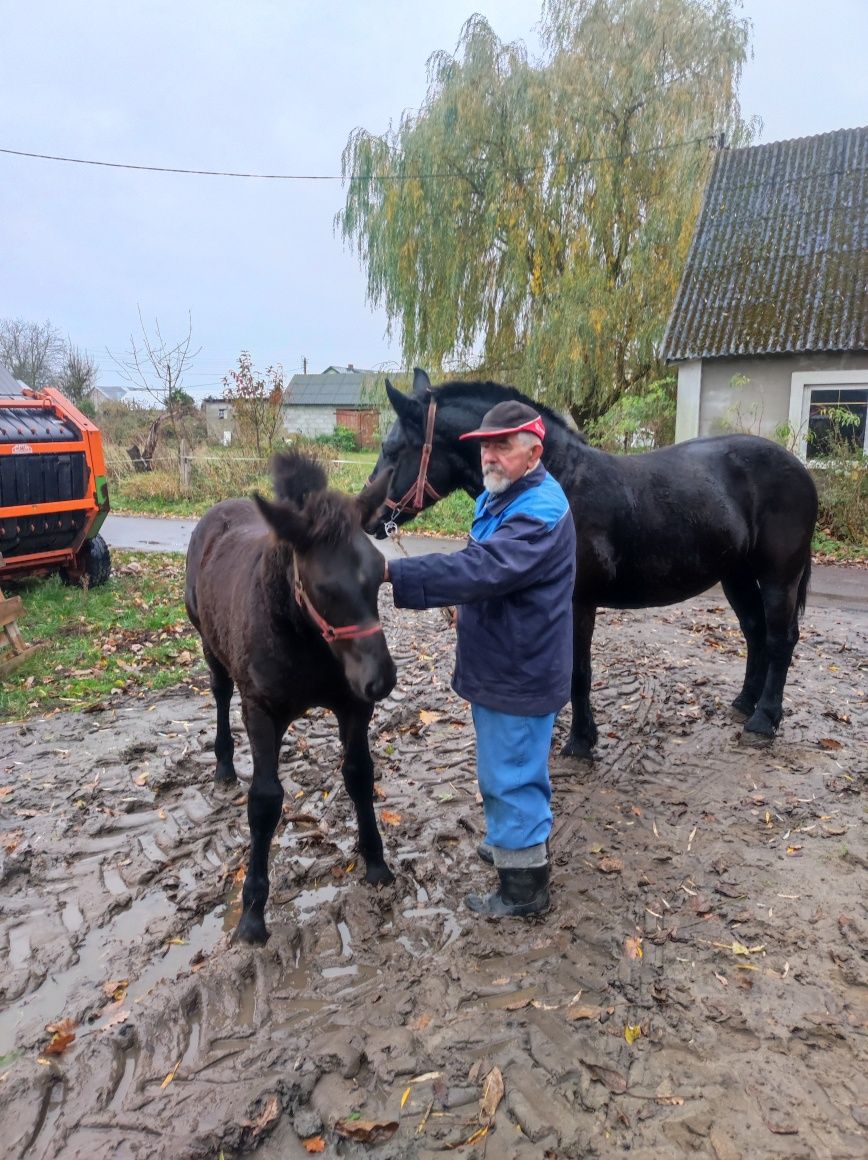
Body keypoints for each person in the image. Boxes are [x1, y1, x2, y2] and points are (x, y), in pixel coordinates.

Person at [383, 400, 576, 917]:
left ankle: (524, 889)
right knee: (504, 765)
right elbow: (485, 569)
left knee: (511, 773)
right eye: (485, 446)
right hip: (504, 661)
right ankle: (511, 844)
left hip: (520, 670)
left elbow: (485, 568)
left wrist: (391, 574)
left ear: (534, 452)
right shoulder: (503, 497)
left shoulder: (539, 511)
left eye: (502, 446)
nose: (489, 456)